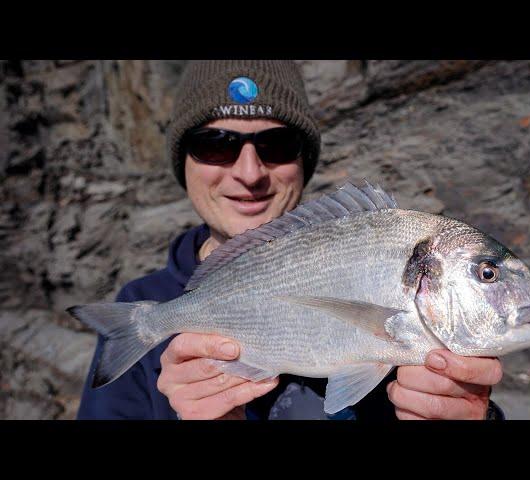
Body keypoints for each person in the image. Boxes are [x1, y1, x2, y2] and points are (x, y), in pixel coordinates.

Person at [77, 60, 504, 420]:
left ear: (305, 160)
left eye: (277, 144)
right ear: (182, 160)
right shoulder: (140, 304)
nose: (249, 173)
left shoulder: (426, 323)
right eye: (215, 145)